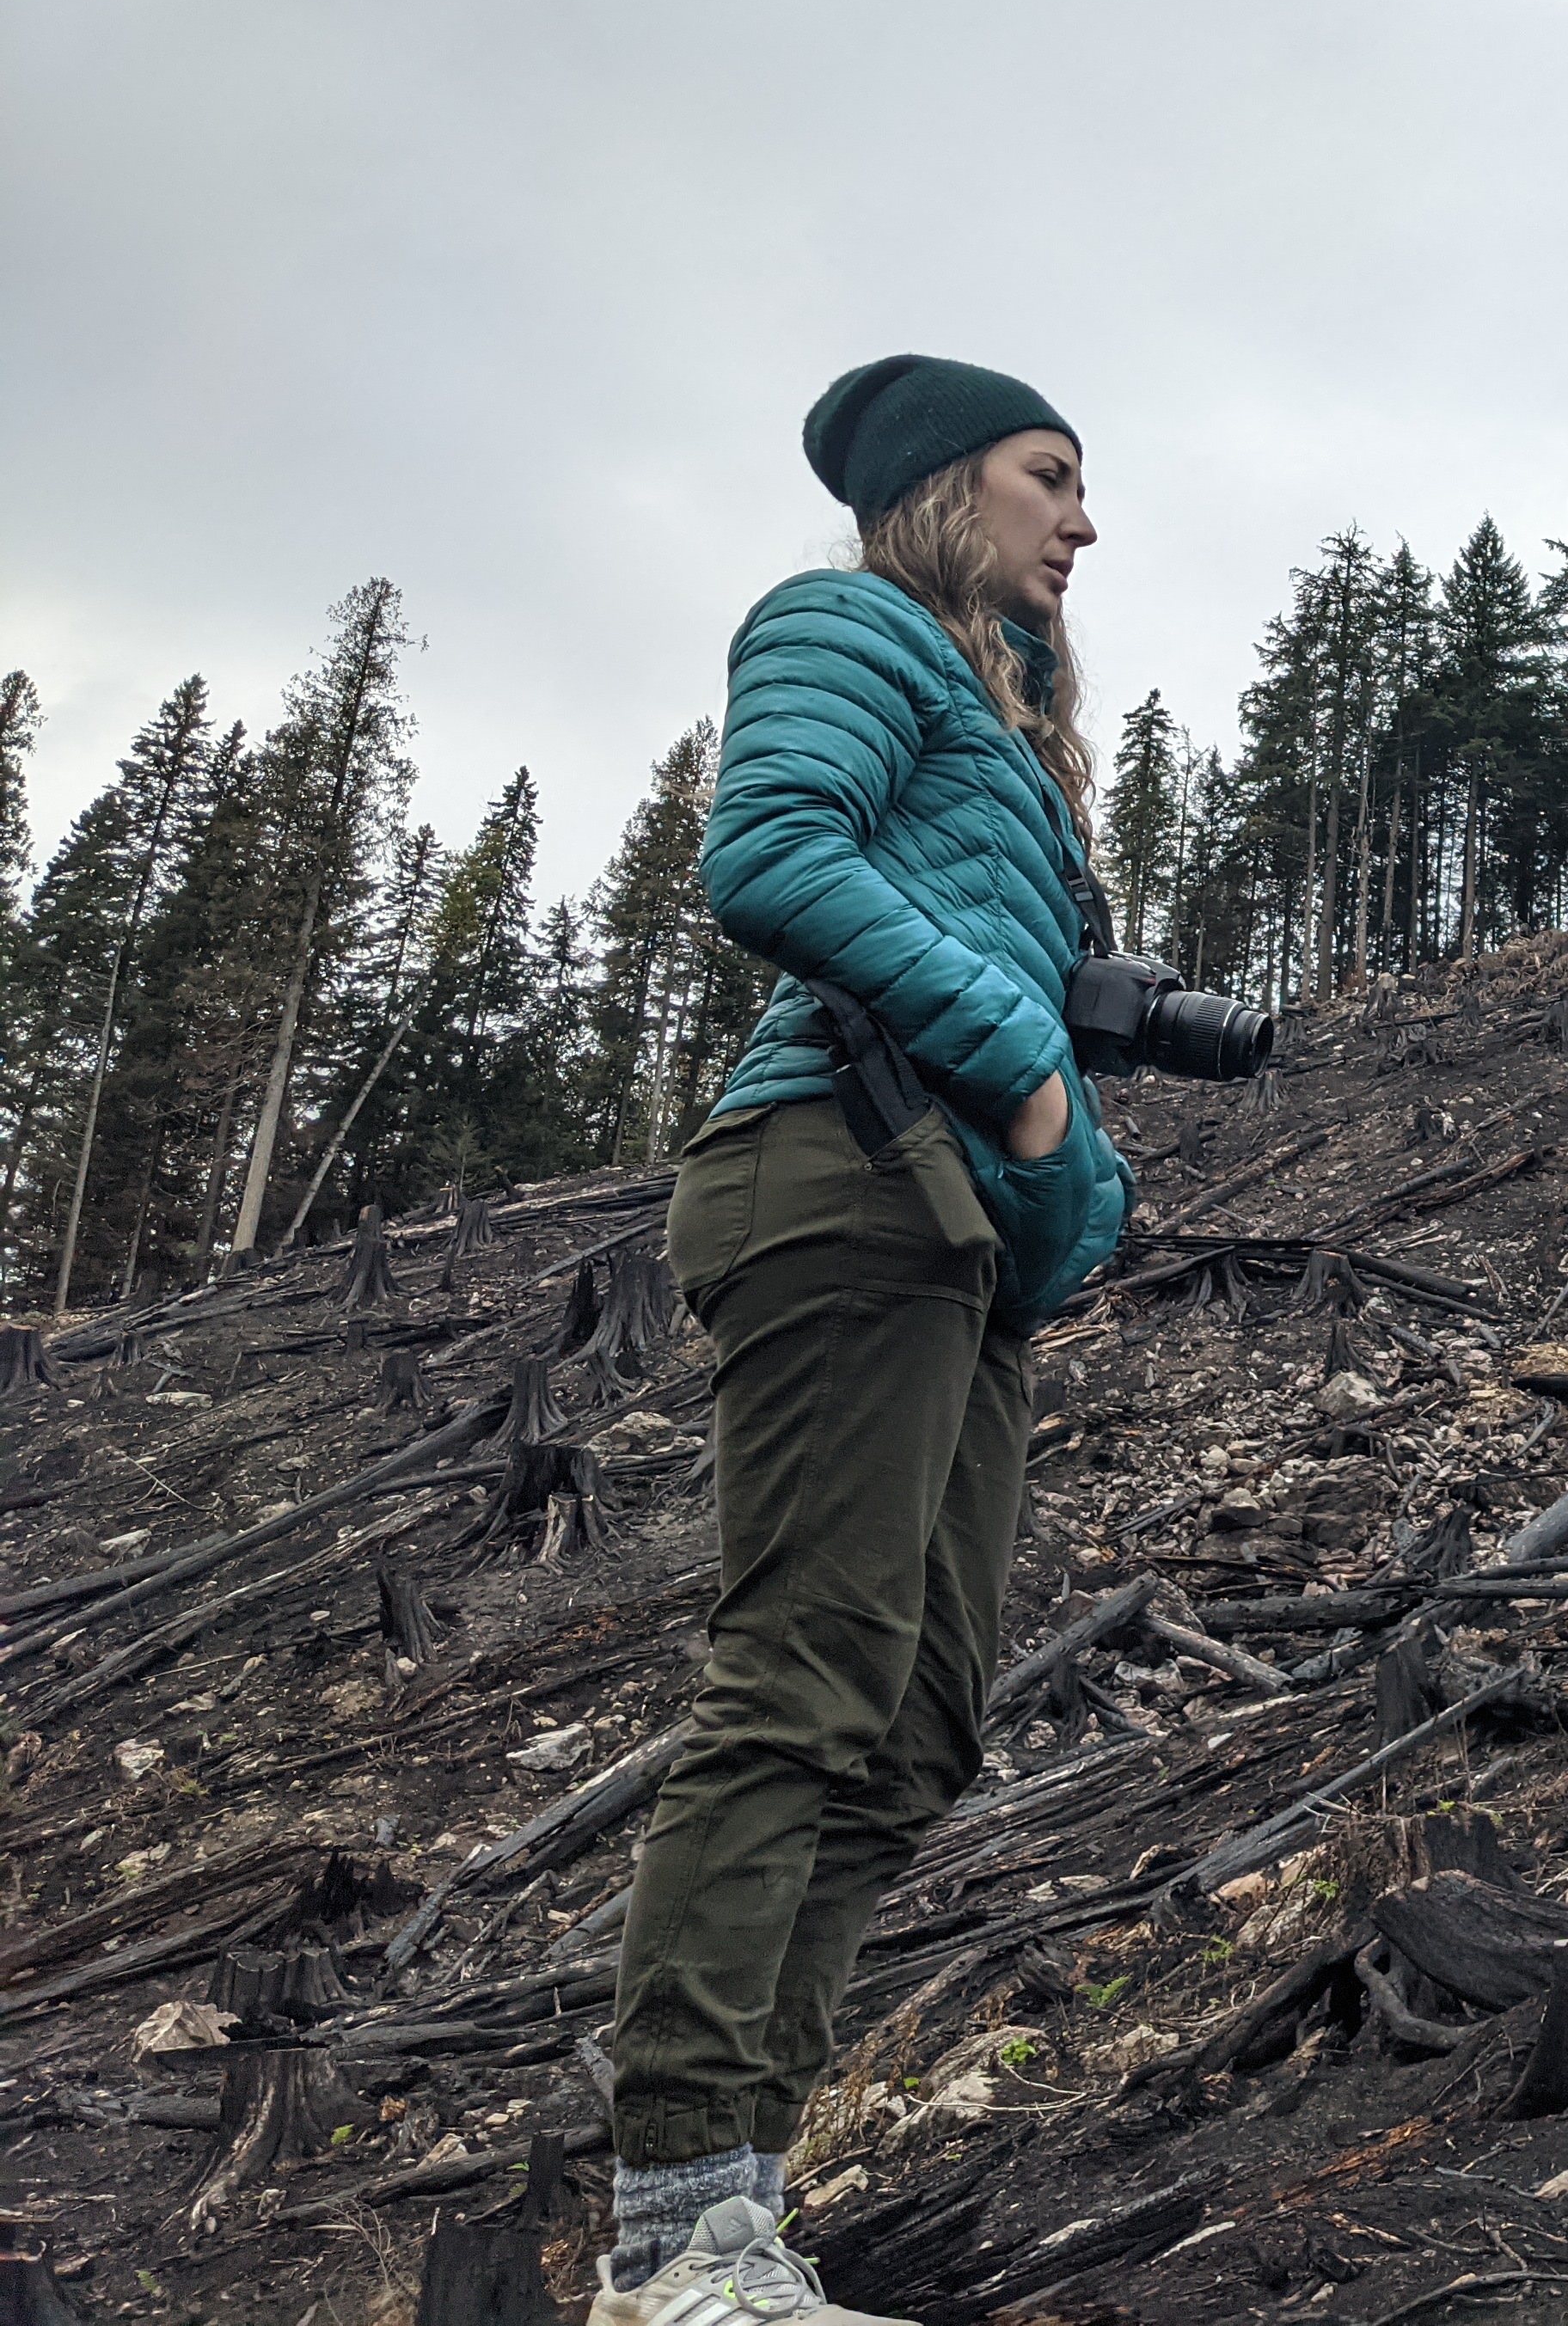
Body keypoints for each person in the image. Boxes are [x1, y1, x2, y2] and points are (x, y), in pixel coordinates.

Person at [591, 356, 1136, 2323]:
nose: (1084, 522)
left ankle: (747, 2208)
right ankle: (675, 2235)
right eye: (1049, 478)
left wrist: (1076, 1183)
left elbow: (1026, 995)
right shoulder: (844, 625)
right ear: (940, 488)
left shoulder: (1008, 726)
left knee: (912, 1734)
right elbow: (771, 857)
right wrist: (1024, 1072)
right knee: (805, 1684)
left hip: (953, 1227)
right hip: (833, 1169)